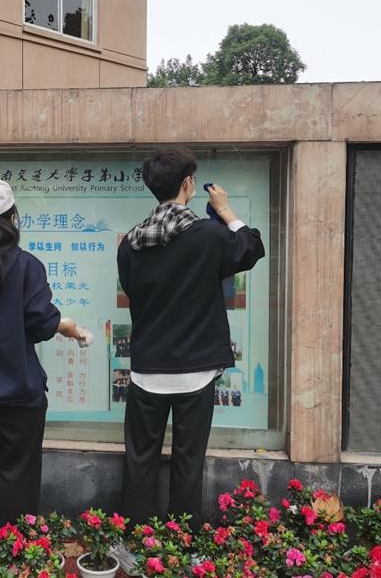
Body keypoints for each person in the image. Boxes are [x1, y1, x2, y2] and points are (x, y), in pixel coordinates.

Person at [116, 146, 265, 538]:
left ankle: (137, 539)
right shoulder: (209, 236)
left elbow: (131, 288)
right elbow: (251, 247)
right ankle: (181, 540)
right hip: (195, 372)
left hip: (147, 369)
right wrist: (225, 209)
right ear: (187, 184)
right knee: (188, 461)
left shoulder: (130, 243)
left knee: (140, 460)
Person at [0, 176, 90, 543]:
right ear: (12, 218)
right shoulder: (24, 265)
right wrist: (67, 326)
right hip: (18, 393)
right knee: (17, 478)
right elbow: (40, 324)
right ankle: (15, 553)